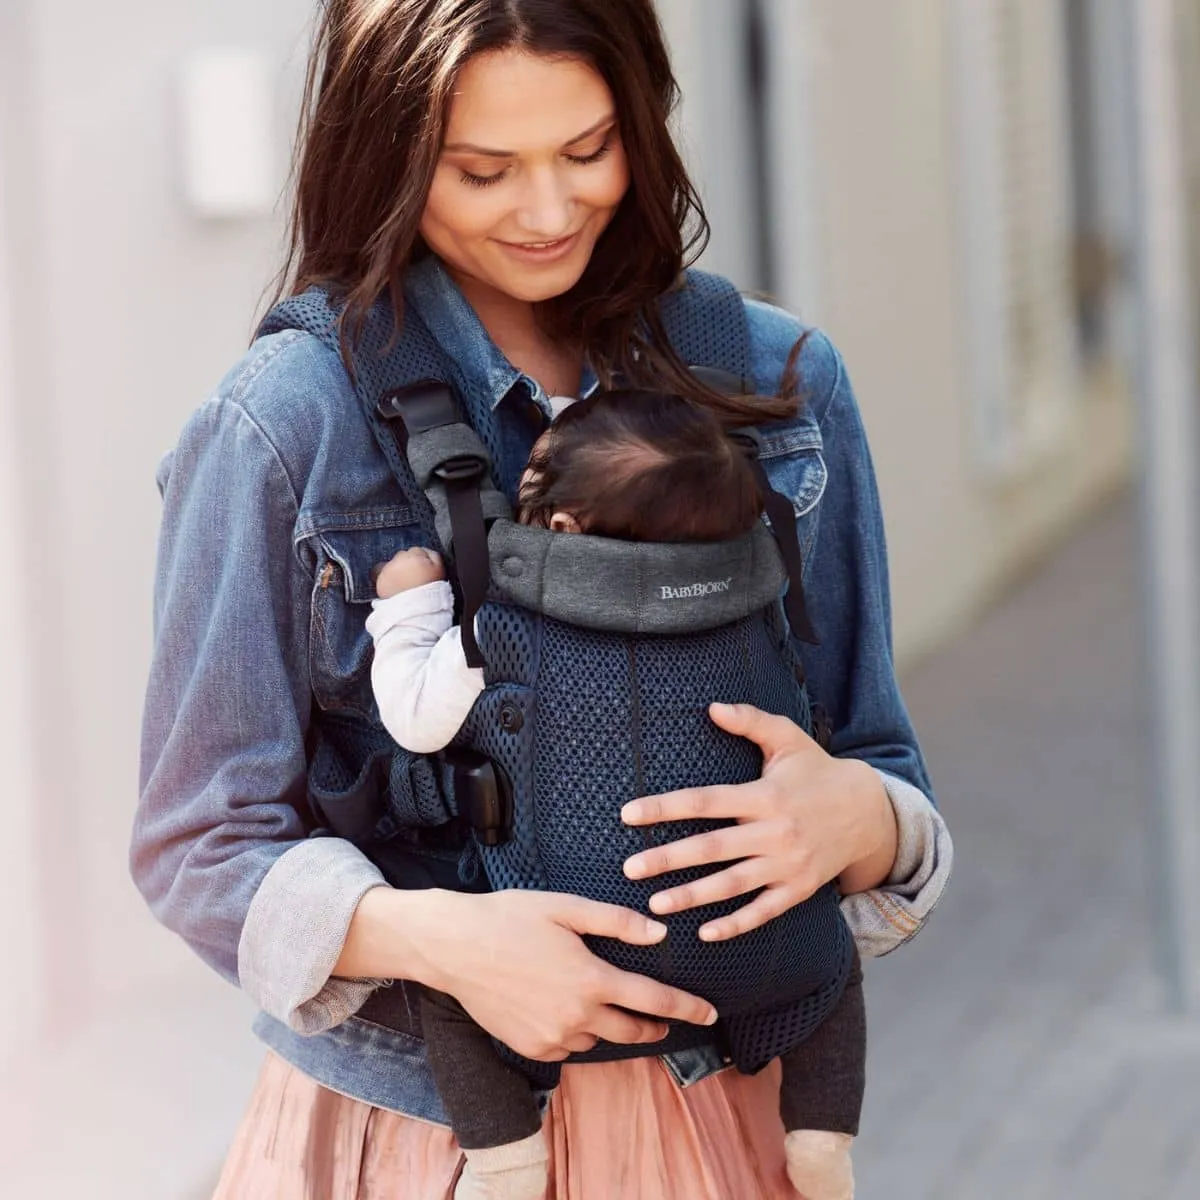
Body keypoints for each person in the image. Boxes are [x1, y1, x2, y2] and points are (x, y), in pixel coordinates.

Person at [131, 1, 953, 1196]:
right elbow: (197, 846)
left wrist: (858, 822)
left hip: (726, 1114)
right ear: (389, 154)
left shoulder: (777, 382)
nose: (551, 210)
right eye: (483, 171)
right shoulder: (283, 423)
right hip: (422, 1138)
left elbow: (882, 762)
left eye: (588, 150)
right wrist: (448, 943)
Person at [367, 388, 868, 1200]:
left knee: (445, 986)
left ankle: (509, 1164)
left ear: (560, 529)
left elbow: (418, 723)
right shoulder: (754, 613)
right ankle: (821, 1137)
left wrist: (410, 606)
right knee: (834, 964)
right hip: (762, 959)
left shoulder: (507, 623)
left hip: (571, 967)